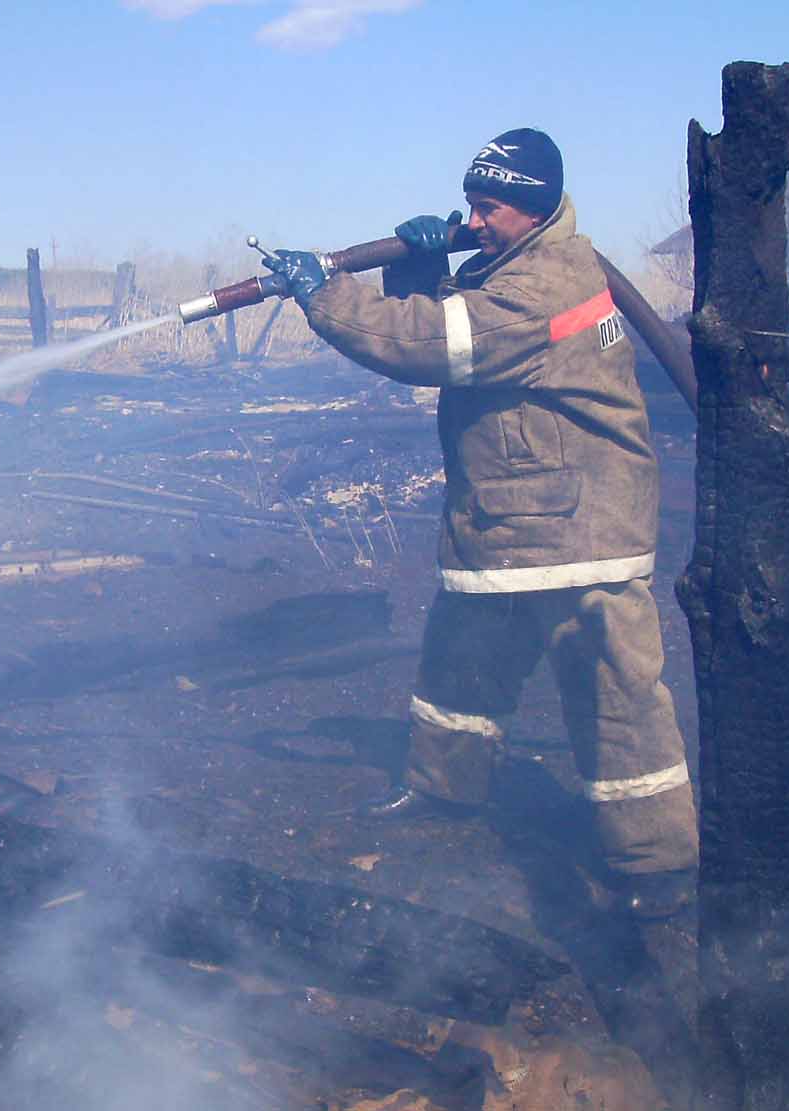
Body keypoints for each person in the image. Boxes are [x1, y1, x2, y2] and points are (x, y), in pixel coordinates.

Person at [262, 128, 697, 918]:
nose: (474, 219)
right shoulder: (520, 268)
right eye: (470, 204)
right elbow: (454, 319)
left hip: (576, 528)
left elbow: (440, 343)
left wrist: (322, 291)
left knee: (616, 696)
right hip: (510, 513)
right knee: (462, 661)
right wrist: (423, 270)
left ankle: (655, 862)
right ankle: (445, 786)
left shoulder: (555, 283)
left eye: (487, 207)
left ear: (530, 209)